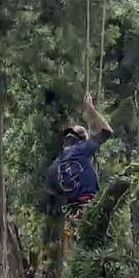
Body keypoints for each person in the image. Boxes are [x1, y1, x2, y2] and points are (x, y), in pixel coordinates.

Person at [46, 93, 112, 236]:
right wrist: (91, 108)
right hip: (90, 206)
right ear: (81, 140)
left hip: (71, 215)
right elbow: (106, 131)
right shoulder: (82, 150)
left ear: (64, 142)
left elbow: (56, 194)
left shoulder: (52, 169)